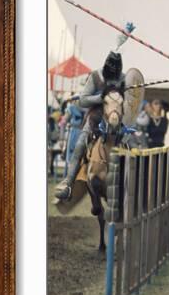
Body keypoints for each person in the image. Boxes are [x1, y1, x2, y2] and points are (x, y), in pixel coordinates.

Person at [54, 23, 134, 201]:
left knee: (133, 146)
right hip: (95, 119)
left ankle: (136, 186)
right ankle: (68, 183)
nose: (114, 79)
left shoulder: (123, 79)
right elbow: (83, 100)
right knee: (81, 145)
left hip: (117, 120)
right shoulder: (96, 77)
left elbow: (129, 102)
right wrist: (101, 98)